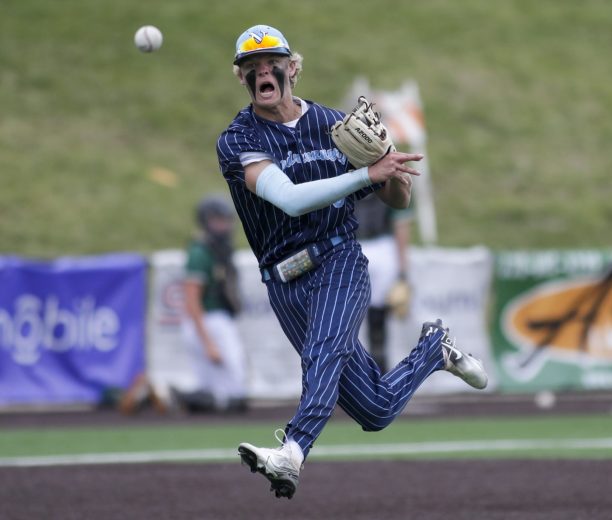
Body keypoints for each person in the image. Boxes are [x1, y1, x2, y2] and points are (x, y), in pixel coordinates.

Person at [216, 24, 488, 498]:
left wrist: (392, 170)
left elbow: (396, 199)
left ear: (292, 69)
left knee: (324, 351)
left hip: (338, 260)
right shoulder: (237, 139)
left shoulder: (336, 124)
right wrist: (367, 170)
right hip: (284, 282)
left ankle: (292, 451)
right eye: (251, 67)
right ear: (241, 78)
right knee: (375, 409)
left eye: (272, 62)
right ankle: (435, 348)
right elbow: (291, 199)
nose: (263, 71)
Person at [178, 195, 248, 413]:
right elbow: (191, 299)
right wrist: (207, 341)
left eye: (226, 219)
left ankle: (195, 400)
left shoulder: (221, 250)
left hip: (218, 320)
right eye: (218, 219)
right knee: (233, 394)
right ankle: (180, 398)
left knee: (234, 394)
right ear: (206, 221)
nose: (225, 224)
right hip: (208, 321)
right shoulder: (200, 252)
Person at [355, 193, 413, 373]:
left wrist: (403, 270)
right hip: (357, 244)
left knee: (377, 313)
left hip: (378, 245)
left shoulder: (393, 174)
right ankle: (373, 368)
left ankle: (377, 367)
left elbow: (400, 222)